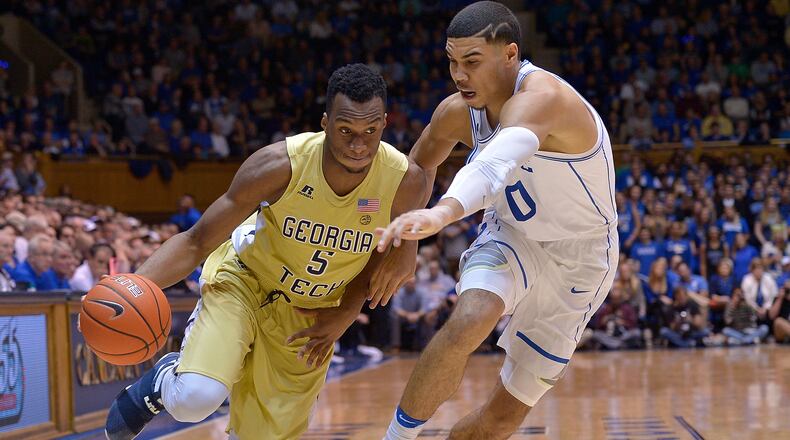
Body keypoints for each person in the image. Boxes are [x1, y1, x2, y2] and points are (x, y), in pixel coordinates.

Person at [103, 64, 422, 440]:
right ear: (325, 122)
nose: (358, 145)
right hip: (245, 283)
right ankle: (162, 382)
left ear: (385, 123)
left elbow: (381, 256)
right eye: (345, 130)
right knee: (195, 397)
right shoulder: (279, 165)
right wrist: (127, 289)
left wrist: (347, 311)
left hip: (309, 315)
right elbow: (196, 241)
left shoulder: (404, 182)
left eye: (370, 131)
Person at [376, 3, 618, 438]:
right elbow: (418, 165)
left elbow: (493, 166)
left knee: (501, 418)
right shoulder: (456, 112)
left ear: (510, 54)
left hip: (581, 257)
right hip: (512, 234)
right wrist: (406, 243)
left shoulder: (546, 99)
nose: (459, 75)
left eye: (472, 62)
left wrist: (443, 212)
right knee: (471, 316)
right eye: (452, 62)